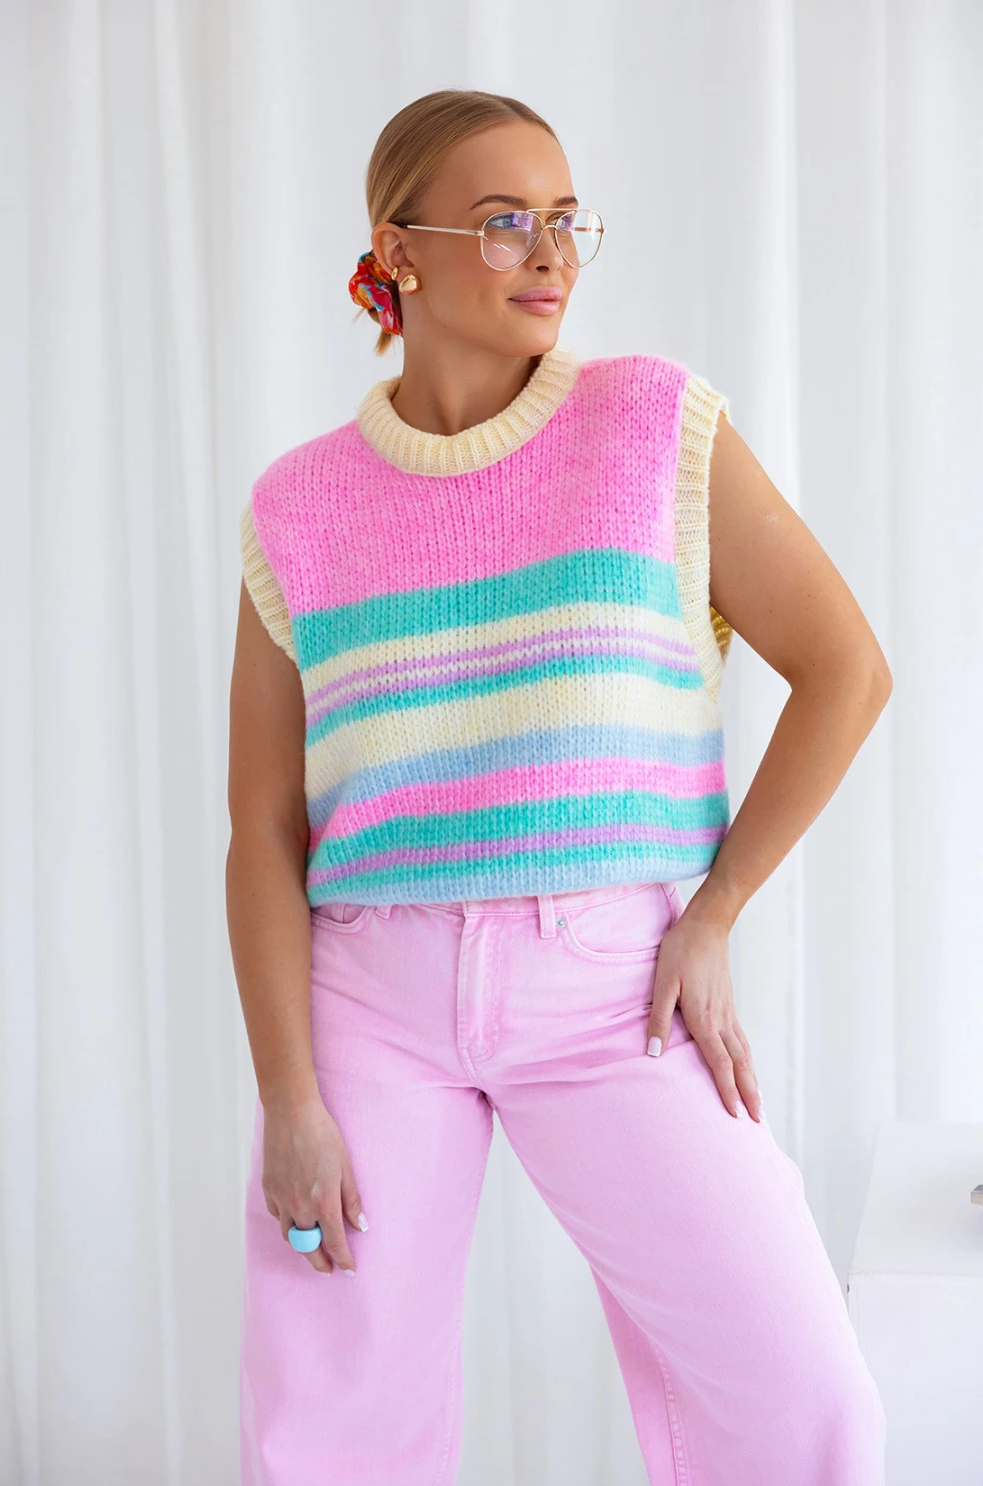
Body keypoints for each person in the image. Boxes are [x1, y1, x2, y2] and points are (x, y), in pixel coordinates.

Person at [227, 87, 890, 1486]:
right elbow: (262, 830)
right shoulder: (297, 506)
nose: (551, 253)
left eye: (567, 219)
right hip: (367, 1005)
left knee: (799, 1398)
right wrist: (290, 1098)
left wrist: (712, 914)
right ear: (397, 253)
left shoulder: (652, 426)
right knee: (334, 1435)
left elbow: (847, 669)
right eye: (505, 221)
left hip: (612, 984)